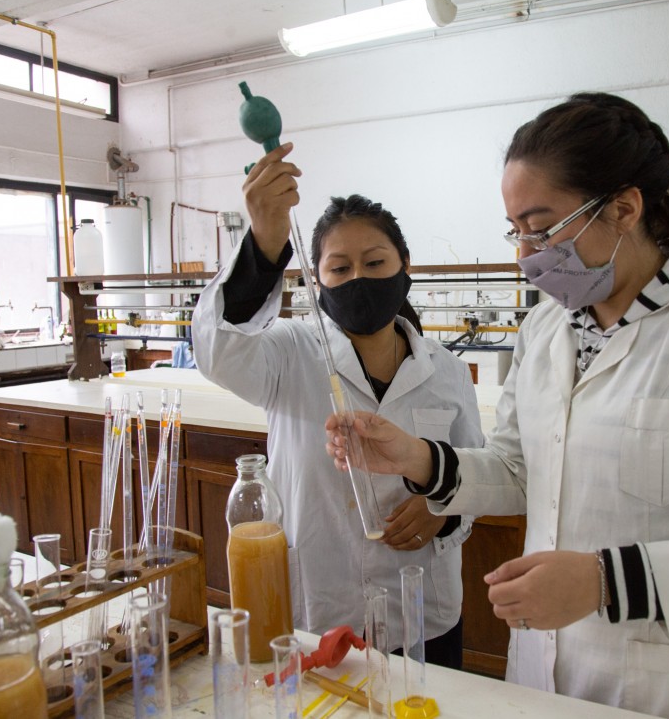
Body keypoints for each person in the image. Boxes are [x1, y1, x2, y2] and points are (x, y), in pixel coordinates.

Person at [326, 93, 669, 717]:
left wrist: (605, 582)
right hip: (545, 671)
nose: (525, 254)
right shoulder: (548, 330)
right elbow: (520, 471)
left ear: (624, 208)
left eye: (542, 228)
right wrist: (417, 458)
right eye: (516, 230)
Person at [192, 143, 483, 669]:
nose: (358, 279)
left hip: (424, 610)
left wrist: (445, 512)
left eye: (375, 263)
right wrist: (263, 241)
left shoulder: (446, 369)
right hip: (323, 608)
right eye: (339, 267)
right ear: (315, 279)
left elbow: (477, 473)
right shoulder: (287, 351)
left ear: (405, 266)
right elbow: (218, 349)